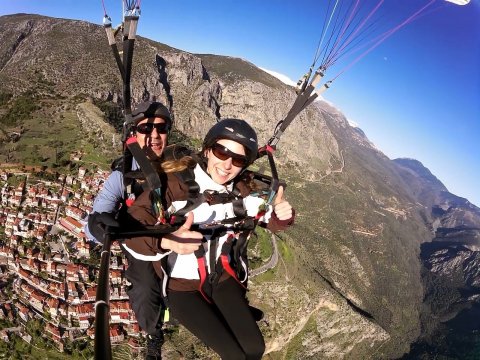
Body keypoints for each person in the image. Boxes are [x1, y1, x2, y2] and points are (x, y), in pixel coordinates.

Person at [123, 118, 295, 359]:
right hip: (181, 286)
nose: (227, 165)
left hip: (222, 277)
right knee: (234, 356)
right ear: (207, 150)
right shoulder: (174, 186)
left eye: (237, 160)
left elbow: (268, 218)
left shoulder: (242, 190)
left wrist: (282, 215)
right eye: (221, 152)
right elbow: (132, 227)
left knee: (255, 349)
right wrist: (167, 242)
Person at [85, 100, 174, 359]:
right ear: (134, 134)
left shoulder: (181, 168)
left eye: (161, 128)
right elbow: (95, 216)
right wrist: (96, 225)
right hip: (140, 243)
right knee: (144, 287)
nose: (154, 135)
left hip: (175, 238)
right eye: (146, 129)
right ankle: (153, 333)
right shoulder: (122, 178)